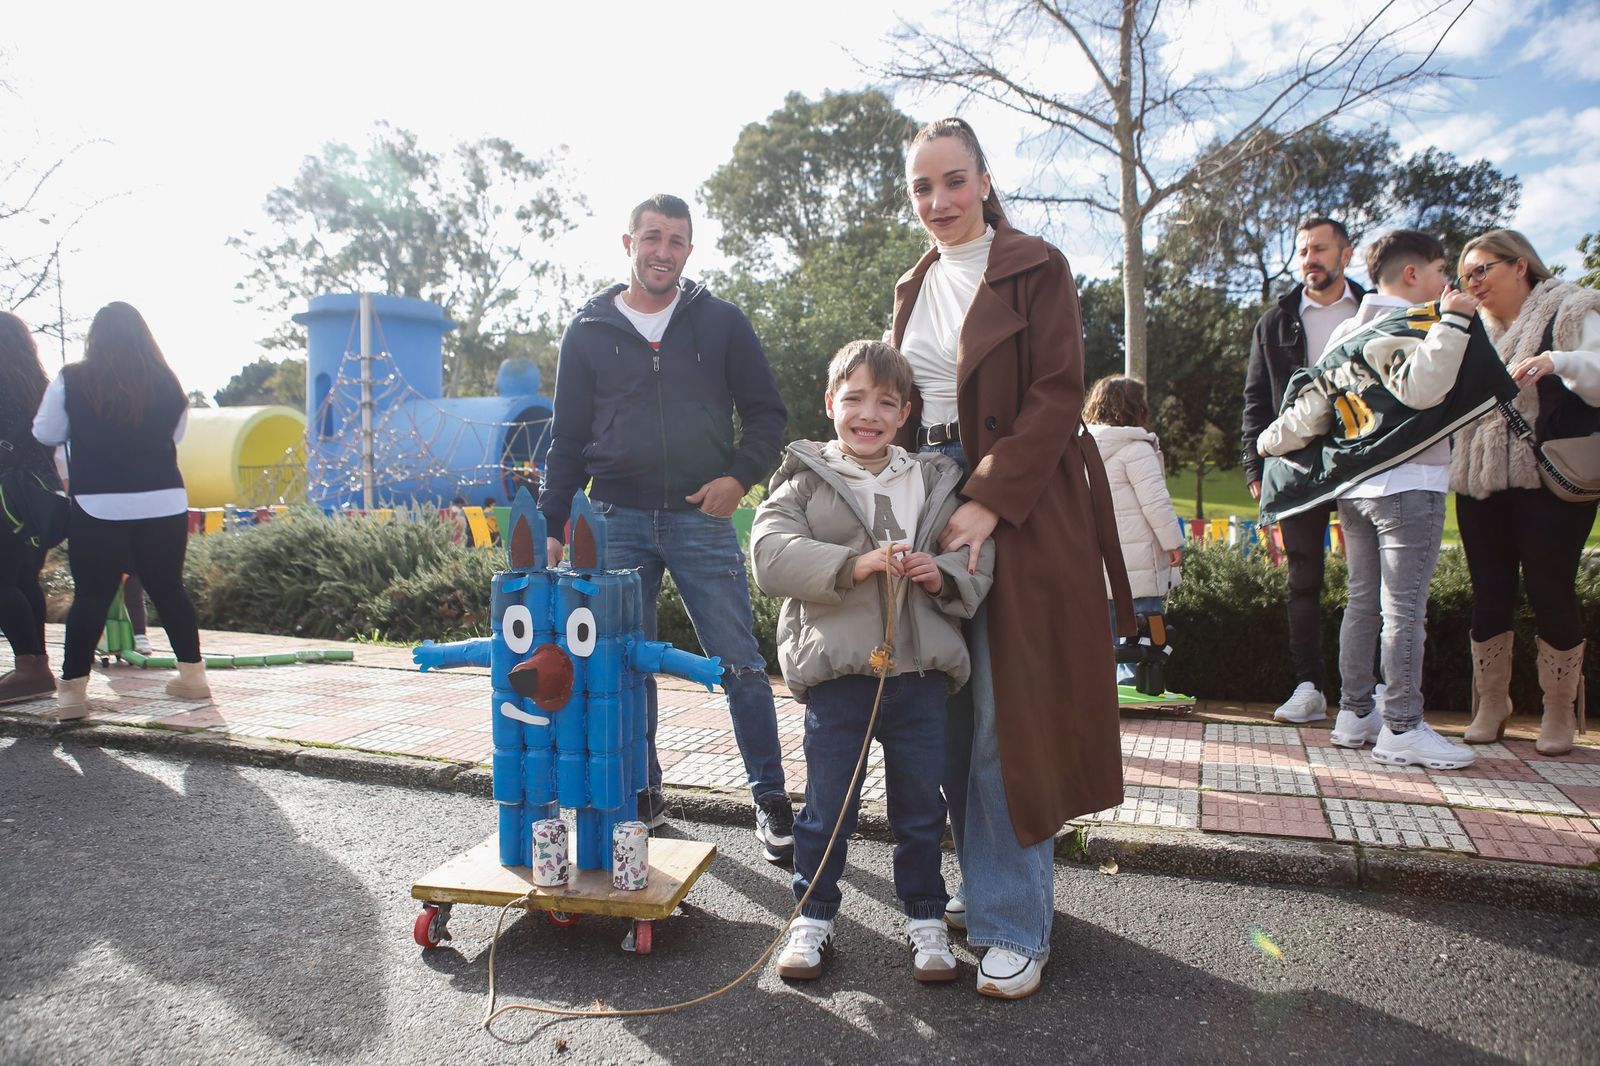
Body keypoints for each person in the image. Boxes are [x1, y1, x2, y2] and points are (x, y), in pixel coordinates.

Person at [891, 118, 1134, 1000]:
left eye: (954, 180)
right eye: (922, 187)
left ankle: (1013, 922)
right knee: (949, 706)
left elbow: (1058, 394)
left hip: (1015, 499)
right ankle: (990, 881)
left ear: (986, 180)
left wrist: (989, 498)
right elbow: (904, 402)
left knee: (1006, 713)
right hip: (929, 490)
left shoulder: (1037, 264)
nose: (939, 201)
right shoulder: (912, 283)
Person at [539, 194, 793, 859]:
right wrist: (554, 522)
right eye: (652, 237)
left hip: (701, 518)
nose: (663, 251)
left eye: (677, 240)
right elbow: (566, 438)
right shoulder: (587, 330)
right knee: (625, 665)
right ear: (628, 243)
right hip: (614, 520)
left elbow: (767, 414)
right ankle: (644, 792)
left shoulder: (722, 322)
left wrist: (738, 478)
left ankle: (770, 799)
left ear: (689, 250)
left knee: (739, 662)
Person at [752, 339, 993, 983]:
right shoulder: (803, 480)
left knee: (921, 811)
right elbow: (769, 555)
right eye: (855, 398)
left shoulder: (933, 479)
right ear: (830, 403)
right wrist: (851, 564)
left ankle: (925, 919)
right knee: (827, 808)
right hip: (840, 678)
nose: (869, 414)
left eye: (886, 403)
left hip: (920, 677)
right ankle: (812, 916)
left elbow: (976, 557)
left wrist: (942, 574)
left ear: (906, 413)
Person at [1258, 230, 1490, 769]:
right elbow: (1421, 388)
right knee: (1403, 609)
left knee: (1363, 601)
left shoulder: (1346, 331)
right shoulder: (1417, 323)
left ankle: (1355, 713)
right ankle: (1402, 726)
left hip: (1356, 489)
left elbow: (1309, 414)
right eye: (1440, 271)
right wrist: (1454, 321)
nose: (1446, 282)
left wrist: (1267, 442)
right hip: (1410, 481)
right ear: (1412, 274)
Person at [1451, 229, 1600, 756]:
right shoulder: (1471, 328)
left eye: (1482, 269)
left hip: (1548, 476)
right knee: (1488, 590)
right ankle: (1492, 704)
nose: (1473, 282)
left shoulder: (1571, 308)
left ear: (1520, 265)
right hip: (1479, 477)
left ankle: (1559, 711)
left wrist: (1559, 361)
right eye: (1465, 275)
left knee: (1550, 587)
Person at [32, 302, 210, 716]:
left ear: (95, 338)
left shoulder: (73, 378)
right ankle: (193, 678)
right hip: (164, 500)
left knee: (92, 595)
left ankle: (72, 693)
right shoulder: (167, 380)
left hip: (99, 502)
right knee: (169, 589)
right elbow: (176, 435)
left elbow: (45, 431)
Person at [1240, 217, 1366, 724]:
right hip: (1295, 463)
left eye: (1320, 249)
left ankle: (1370, 692)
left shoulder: (1373, 310)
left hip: (1364, 458)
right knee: (1303, 577)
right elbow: (1256, 399)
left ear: (1346, 255)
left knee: (1368, 577)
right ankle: (1308, 686)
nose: (1309, 259)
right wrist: (1254, 465)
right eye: (1303, 251)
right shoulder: (1275, 321)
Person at [1083, 375, 1184, 683]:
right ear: (1136, 407)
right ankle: (1134, 687)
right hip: (1136, 567)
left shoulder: (1082, 448)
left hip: (1097, 561)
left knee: (1104, 634)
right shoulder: (1137, 449)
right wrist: (1173, 543)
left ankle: (1105, 690)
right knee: (1143, 634)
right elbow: (1155, 503)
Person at [0, 313, 60, 704]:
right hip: (39, 499)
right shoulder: (40, 385)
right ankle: (36, 665)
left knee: (3, 582)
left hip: (6, 496)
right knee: (24, 579)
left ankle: (29, 667)